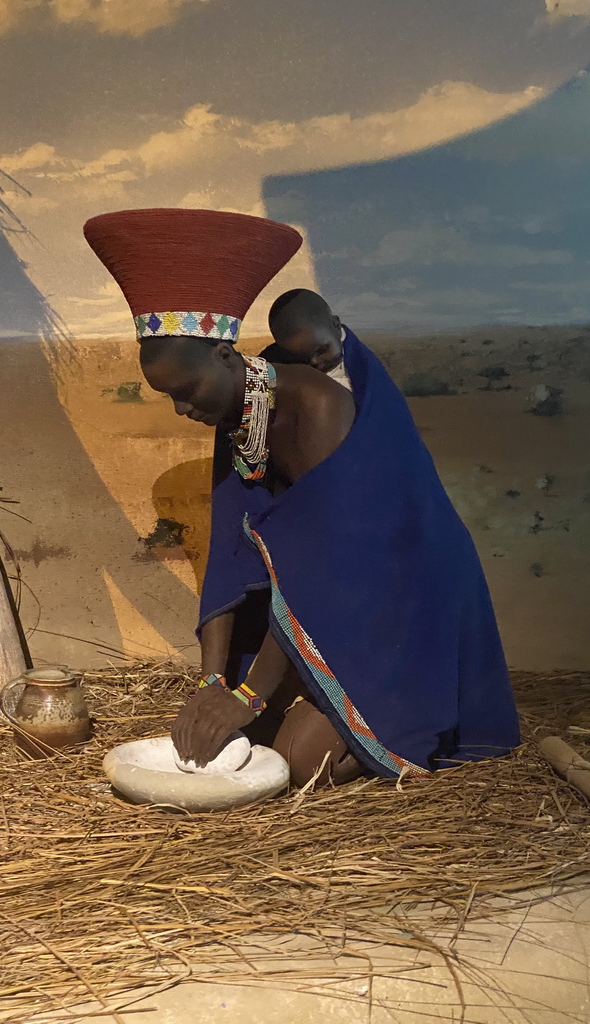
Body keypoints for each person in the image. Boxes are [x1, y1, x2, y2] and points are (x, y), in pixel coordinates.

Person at [84, 208, 520, 789]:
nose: (182, 411)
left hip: (396, 598)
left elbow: (332, 570)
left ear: (224, 357)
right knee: (240, 743)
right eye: (167, 398)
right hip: (317, 603)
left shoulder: (318, 410)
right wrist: (213, 683)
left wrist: (248, 696)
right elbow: (233, 556)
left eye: (185, 392)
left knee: (298, 763)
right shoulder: (237, 408)